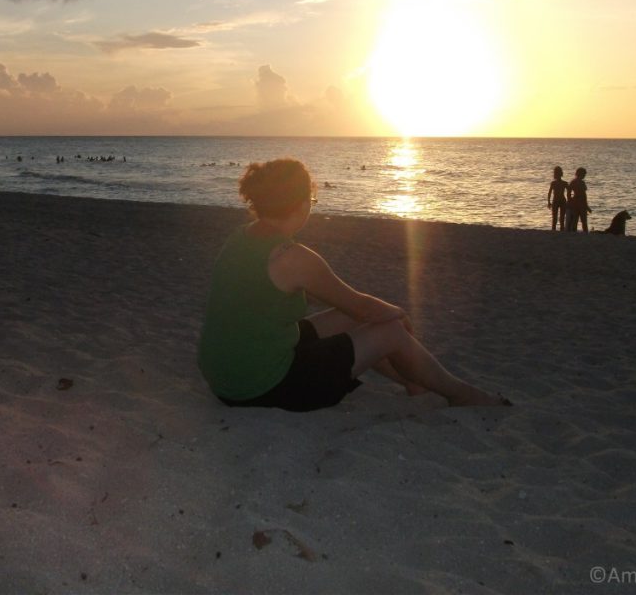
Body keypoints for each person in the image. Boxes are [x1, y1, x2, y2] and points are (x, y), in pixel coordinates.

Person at [198, 158, 509, 412]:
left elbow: (354, 310)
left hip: (226, 374)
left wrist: (385, 312)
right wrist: (399, 314)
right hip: (261, 385)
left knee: (359, 318)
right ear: (302, 204)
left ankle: (413, 384)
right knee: (389, 327)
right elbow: (361, 306)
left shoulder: (241, 236)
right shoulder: (293, 257)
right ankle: (459, 393)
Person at [566, 167, 592, 233]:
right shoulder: (581, 183)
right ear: (581, 174)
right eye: (584, 174)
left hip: (576, 202)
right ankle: (585, 232)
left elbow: (568, 192)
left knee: (575, 219)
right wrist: (587, 206)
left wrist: (570, 200)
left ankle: (574, 232)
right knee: (583, 220)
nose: (584, 176)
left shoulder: (573, 182)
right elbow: (584, 195)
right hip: (580, 203)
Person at [547, 166, 569, 231]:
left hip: (561, 201)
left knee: (560, 218)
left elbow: (569, 192)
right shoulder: (554, 183)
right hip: (557, 201)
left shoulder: (564, 183)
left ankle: (559, 230)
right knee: (555, 218)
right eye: (557, 174)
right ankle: (554, 230)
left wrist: (569, 200)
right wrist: (548, 202)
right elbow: (549, 193)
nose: (557, 175)